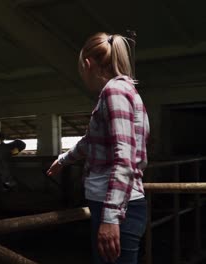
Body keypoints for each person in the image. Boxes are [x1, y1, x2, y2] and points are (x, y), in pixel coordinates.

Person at [47, 32, 150, 264]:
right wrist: (63, 160)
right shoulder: (119, 92)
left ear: (87, 64)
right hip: (114, 206)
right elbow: (90, 141)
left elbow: (124, 157)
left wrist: (111, 218)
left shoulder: (114, 92)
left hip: (116, 209)